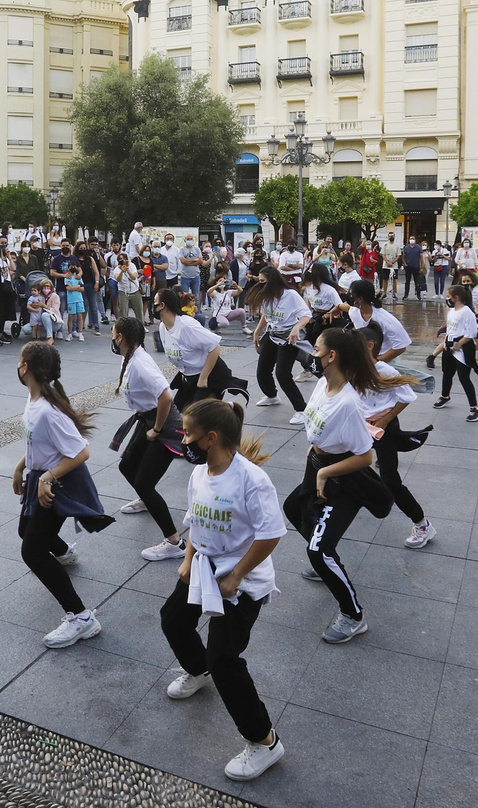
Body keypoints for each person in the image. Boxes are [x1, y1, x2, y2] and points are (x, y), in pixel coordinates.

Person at [160, 397, 286, 782]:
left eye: (187, 434)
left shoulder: (251, 480)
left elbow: (270, 534)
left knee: (226, 660)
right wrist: (186, 558)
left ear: (210, 438)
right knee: (173, 620)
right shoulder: (199, 475)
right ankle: (197, 671)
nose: (183, 439)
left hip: (242, 584)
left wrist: (236, 576)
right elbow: (197, 522)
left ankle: (265, 742)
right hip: (204, 569)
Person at [282, 327, 414, 644]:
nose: (310, 354)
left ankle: (353, 616)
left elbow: (365, 457)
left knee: (318, 551)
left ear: (331, 356)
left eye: (316, 349)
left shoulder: (348, 404)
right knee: (292, 508)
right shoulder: (321, 385)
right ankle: (327, 559)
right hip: (318, 466)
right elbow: (316, 434)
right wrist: (311, 465)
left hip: (344, 478)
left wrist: (325, 474)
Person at [11, 341, 113, 648]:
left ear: (25, 368)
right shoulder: (36, 402)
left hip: (53, 488)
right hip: (39, 479)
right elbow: (39, 446)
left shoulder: (47, 411)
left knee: (32, 552)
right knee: (24, 531)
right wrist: (20, 468)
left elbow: (81, 452)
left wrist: (46, 477)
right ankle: (65, 554)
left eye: (19, 361)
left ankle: (82, 618)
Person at [110, 317, 188, 561]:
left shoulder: (141, 363)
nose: (112, 338)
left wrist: (156, 428)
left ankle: (175, 543)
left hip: (165, 426)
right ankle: (146, 500)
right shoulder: (131, 358)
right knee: (127, 466)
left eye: (113, 333)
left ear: (121, 337)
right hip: (148, 419)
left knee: (144, 482)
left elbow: (166, 396)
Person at [358, 322, 435, 548]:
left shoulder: (385, 370)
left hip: (385, 428)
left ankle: (423, 524)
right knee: (348, 472)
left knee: (390, 480)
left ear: (369, 346)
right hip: (361, 427)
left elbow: (406, 397)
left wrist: (383, 421)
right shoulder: (353, 369)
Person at [245, 267, 310, 424]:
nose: (260, 285)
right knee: (262, 370)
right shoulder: (266, 296)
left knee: (282, 373)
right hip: (272, 333)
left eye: (263, 281)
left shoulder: (291, 295)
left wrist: (296, 328)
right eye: (259, 281)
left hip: (289, 335)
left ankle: (301, 410)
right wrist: (257, 332)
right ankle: (272, 396)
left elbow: (306, 315)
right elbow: (266, 316)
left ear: (272, 281)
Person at [433, 283, 478, 420]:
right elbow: (450, 329)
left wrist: (459, 344)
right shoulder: (452, 311)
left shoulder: (467, 312)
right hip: (450, 346)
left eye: (449, 296)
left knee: (464, 377)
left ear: (456, 297)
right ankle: (445, 396)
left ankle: (474, 407)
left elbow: (472, 332)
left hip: (462, 348)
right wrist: (445, 343)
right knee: (447, 373)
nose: (447, 299)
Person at [342, 280, 411, 363]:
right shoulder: (355, 312)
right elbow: (346, 307)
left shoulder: (385, 320)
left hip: (385, 361)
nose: (349, 297)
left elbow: (401, 347)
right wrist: (337, 308)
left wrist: (376, 361)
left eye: (351, 294)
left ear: (360, 299)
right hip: (366, 358)